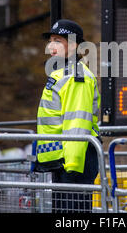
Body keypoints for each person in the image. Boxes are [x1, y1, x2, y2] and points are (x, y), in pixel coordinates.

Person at [35, 19, 101, 213]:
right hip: (65, 161)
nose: (51, 46)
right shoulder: (65, 73)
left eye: (58, 41)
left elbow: (77, 123)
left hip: (73, 163)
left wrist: (71, 166)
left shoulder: (76, 77)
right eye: (50, 41)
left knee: (72, 215)